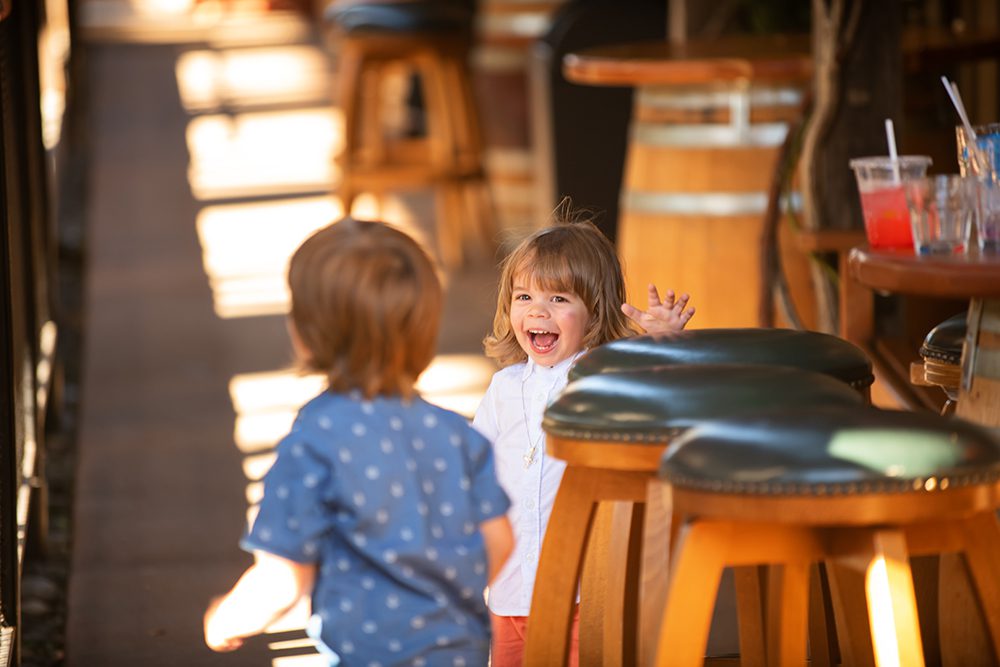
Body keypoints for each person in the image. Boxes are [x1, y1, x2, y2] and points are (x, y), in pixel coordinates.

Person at [204, 218, 514, 666]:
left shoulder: (315, 440)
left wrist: (226, 620)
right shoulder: (455, 433)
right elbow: (499, 541)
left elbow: (283, 580)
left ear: (306, 334)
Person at [473, 216, 694, 667]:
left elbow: (660, 406)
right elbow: (472, 469)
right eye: (524, 297)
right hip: (509, 588)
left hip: (583, 590)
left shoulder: (607, 374)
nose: (538, 311)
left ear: (595, 309)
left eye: (558, 298)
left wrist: (662, 347)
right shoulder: (503, 387)